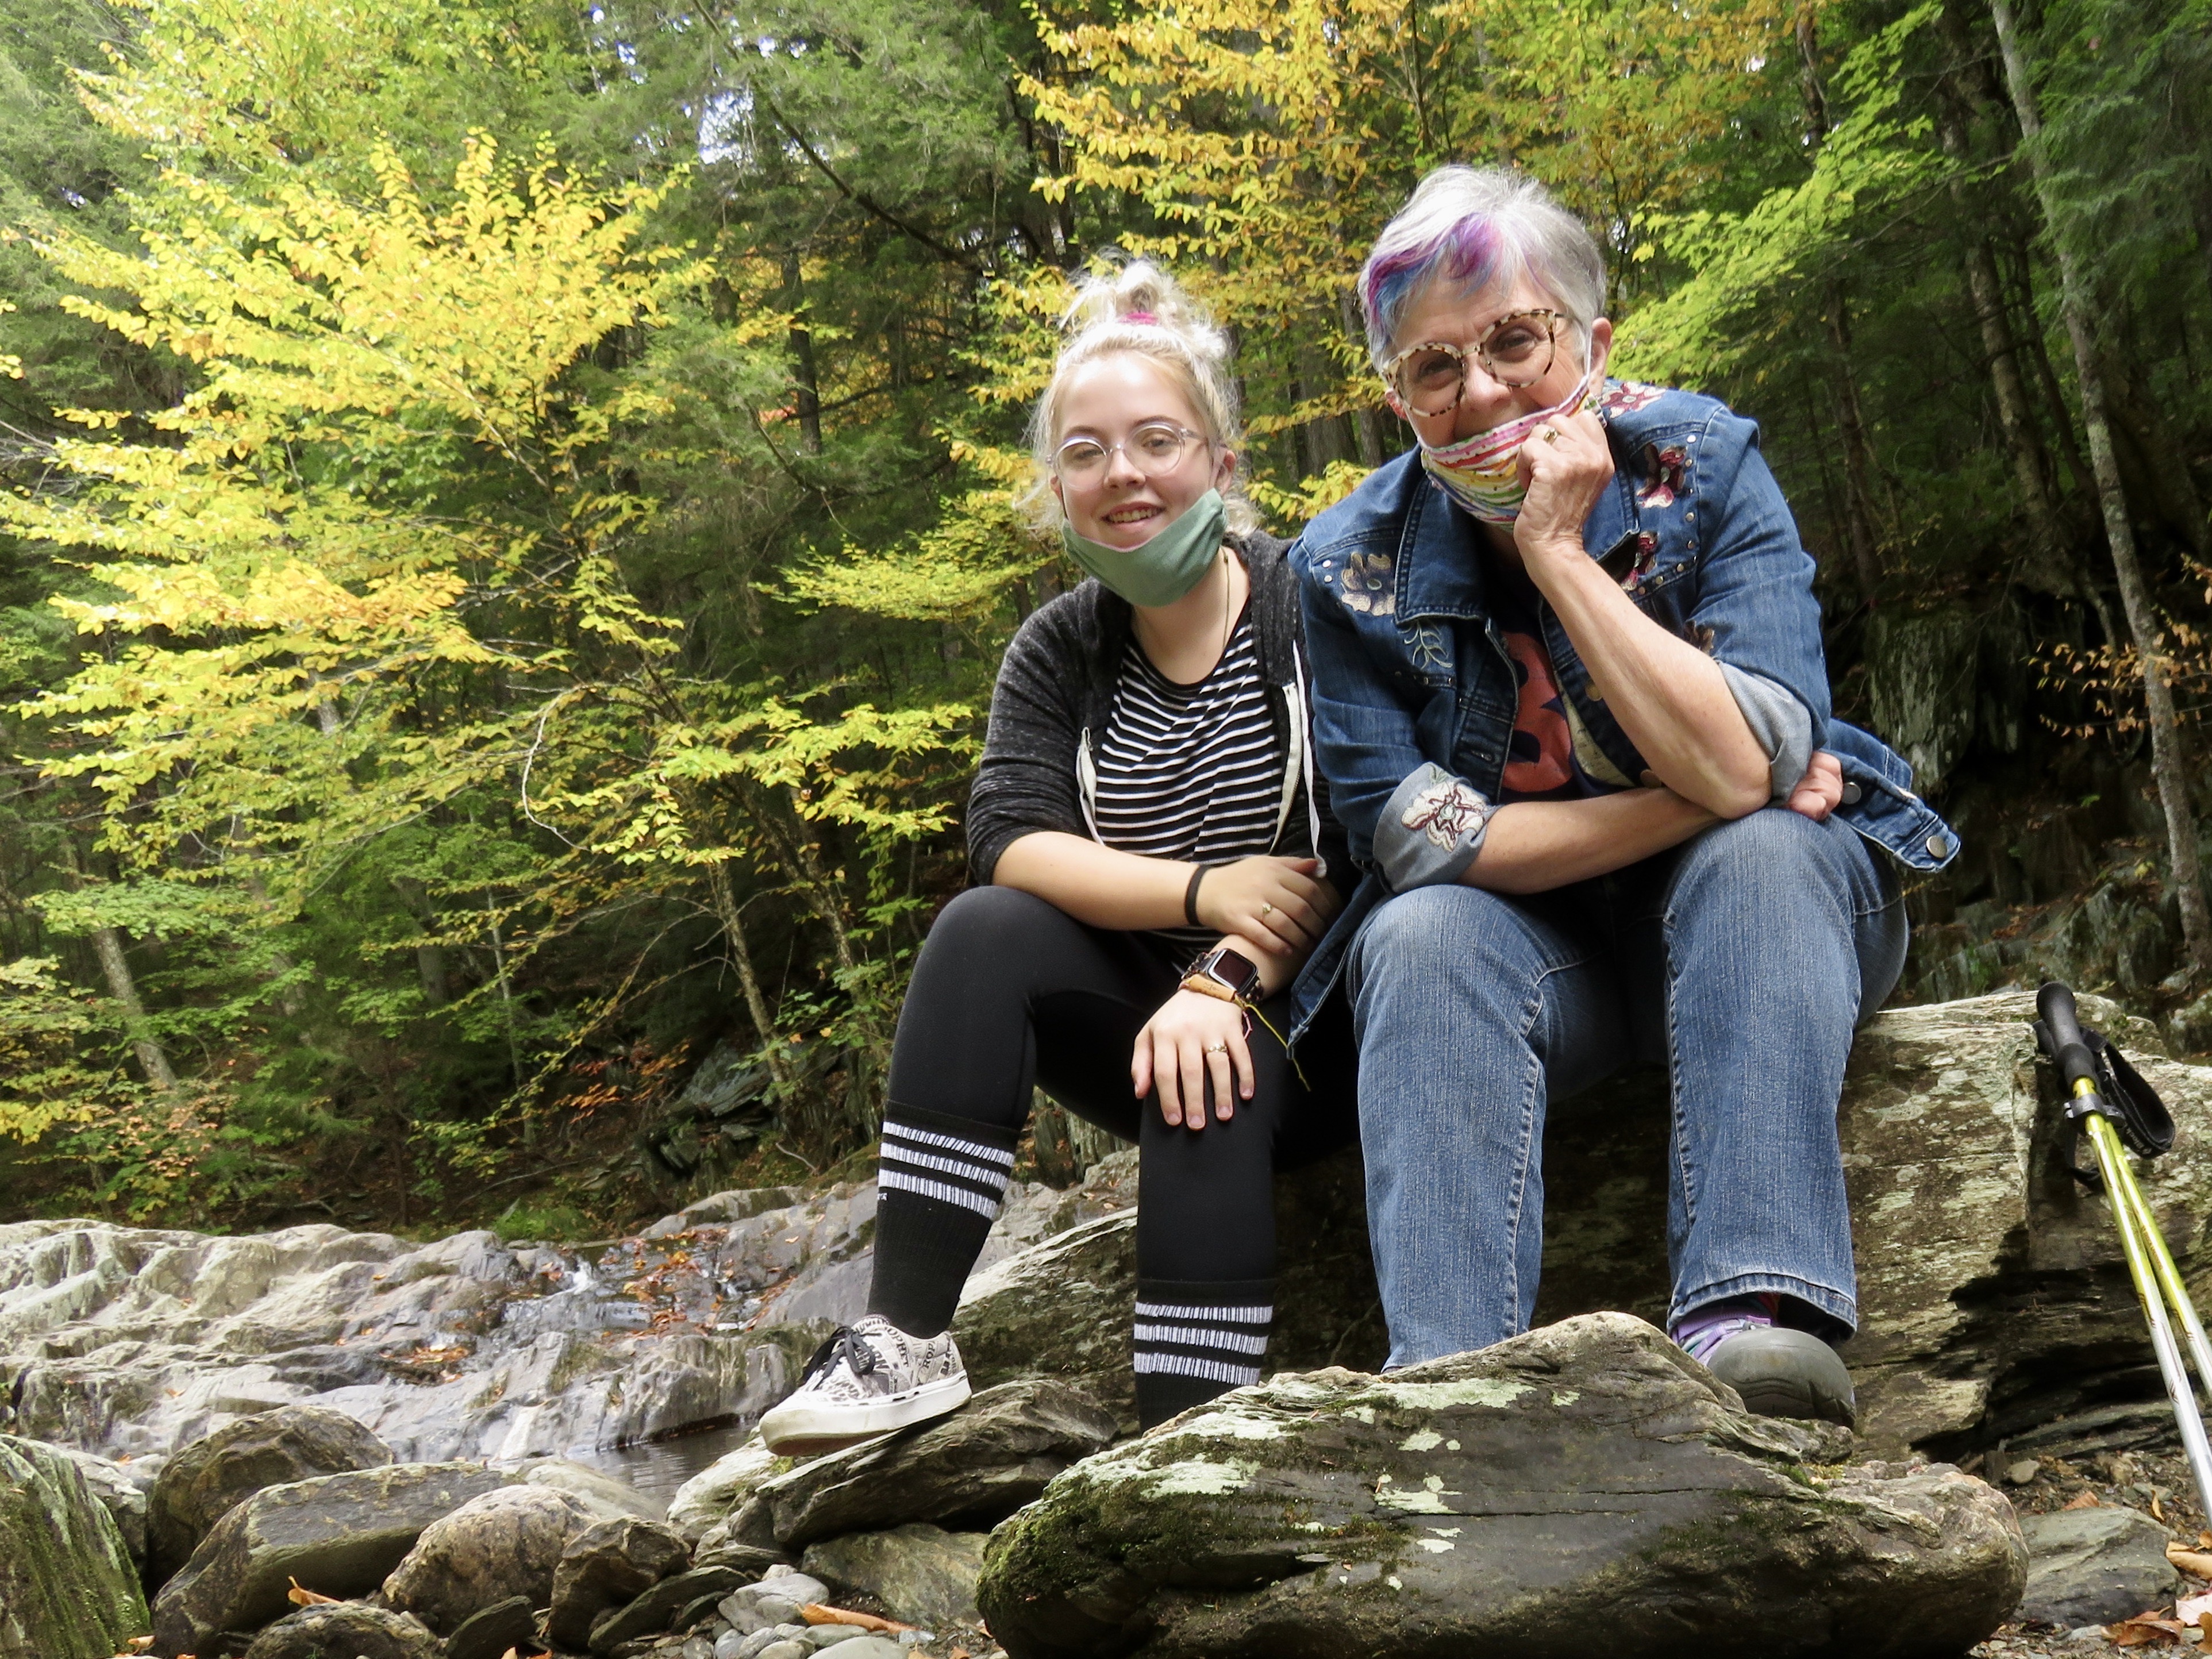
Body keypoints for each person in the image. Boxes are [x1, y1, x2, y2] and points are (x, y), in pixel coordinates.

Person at [1284, 165, 1960, 1425]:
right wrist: (1714, 789)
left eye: (1514, 340)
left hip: (1770, 920)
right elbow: (1417, 840)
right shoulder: (1342, 567)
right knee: (1417, 932)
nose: (1482, 390)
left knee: (1761, 854)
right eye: (1435, 367)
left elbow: (1759, 755)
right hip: (1549, 969)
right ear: (1398, 399)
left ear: (1591, 346)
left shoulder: (1702, 463)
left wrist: (1555, 551)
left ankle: (1750, 1323)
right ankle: (1451, 1394)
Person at [759, 260, 1358, 1453]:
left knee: (1206, 1062)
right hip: (1150, 1010)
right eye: (1086, 453)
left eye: (1155, 441)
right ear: (1058, 491)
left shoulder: (1313, 607)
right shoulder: (1060, 649)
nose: (1121, 473)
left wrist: (1222, 977)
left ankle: (1192, 1454)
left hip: (1322, 1014)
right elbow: (1009, 839)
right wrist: (1201, 895)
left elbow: (1368, 840)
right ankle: (903, 1339)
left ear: (1221, 465)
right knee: (984, 931)